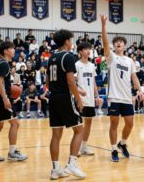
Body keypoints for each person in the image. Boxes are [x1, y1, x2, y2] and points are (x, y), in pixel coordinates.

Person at [101, 14, 141, 162]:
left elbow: (134, 77)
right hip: (114, 96)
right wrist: (104, 26)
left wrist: (140, 90)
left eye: (121, 42)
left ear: (124, 45)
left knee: (130, 124)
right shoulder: (111, 57)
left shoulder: (130, 61)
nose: (118, 43)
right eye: (116, 42)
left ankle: (122, 143)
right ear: (114, 45)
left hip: (127, 97)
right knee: (114, 124)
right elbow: (105, 42)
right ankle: (113, 150)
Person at [47, 29, 86, 179]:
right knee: (79, 130)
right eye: (72, 40)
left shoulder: (51, 58)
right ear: (66, 42)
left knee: (56, 134)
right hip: (65, 97)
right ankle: (72, 164)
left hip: (54, 97)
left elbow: (48, 82)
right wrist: (79, 99)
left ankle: (56, 169)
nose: (73, 42)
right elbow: (70, 81)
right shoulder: (68, 57)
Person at [0, 41, 27, 163]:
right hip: (2, 99)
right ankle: (12, 152)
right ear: (5, 51)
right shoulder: (4, 64)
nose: (14, 50)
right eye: (12, 48)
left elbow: (0, 82)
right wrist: (6, 98)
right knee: (15, 124)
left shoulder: (2, 63)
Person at [75, 42, 100, 156]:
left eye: (89, 49)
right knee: (79, 124)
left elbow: (94, 82)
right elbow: (73, 82)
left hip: (90, 98)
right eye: (85, 49)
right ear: (80, 51)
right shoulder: (76, 65)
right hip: (80, 98)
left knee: (89, 122)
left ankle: (84, 146)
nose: (88, 51)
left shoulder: (91, 65)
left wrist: (97, 96)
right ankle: (77, 147)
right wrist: (78, 93)